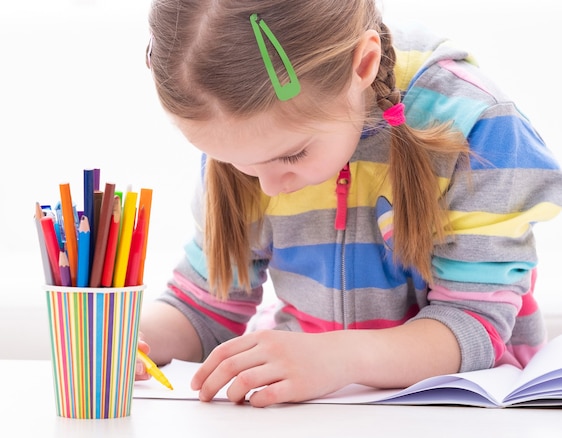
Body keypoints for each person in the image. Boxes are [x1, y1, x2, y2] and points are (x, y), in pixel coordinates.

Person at [136, 0, 562, 407]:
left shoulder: (474, 124)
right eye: (235, 163)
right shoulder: (248, 134)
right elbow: (204, 305)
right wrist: (121, 339)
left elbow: (476, 324)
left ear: (362, 65)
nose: (267, 186)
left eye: (291, 155)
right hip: (315, 412)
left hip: (465, 412)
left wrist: (335, 358)